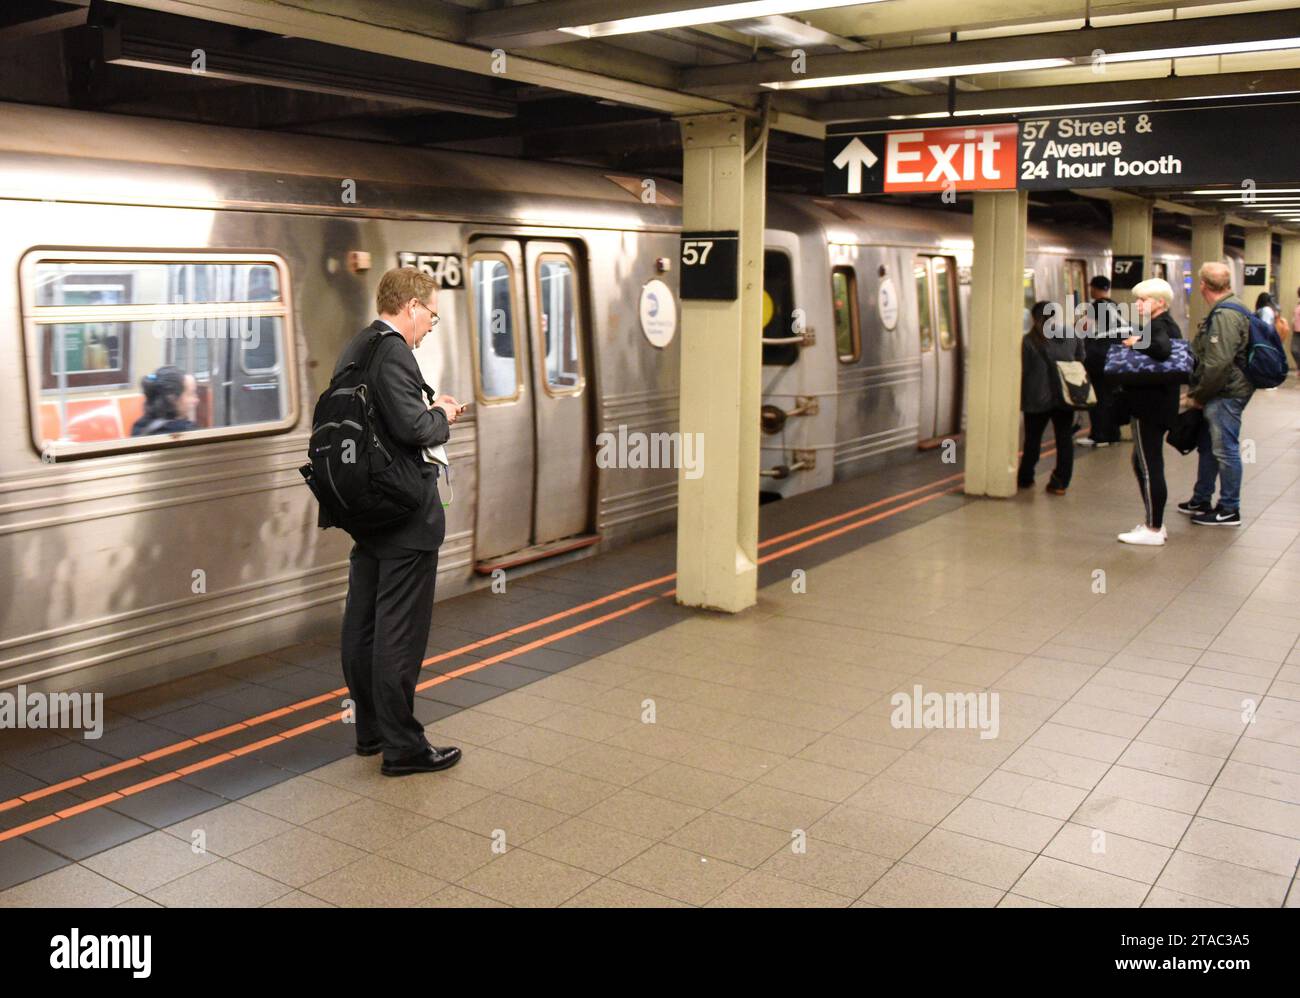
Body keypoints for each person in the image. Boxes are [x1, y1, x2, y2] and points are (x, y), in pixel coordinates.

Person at [336, 267, 466, 776]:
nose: (432, 324)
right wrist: (444, 414)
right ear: (411, 306)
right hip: (403, 514)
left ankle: (370, 730)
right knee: (398, 633)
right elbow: (413, 428)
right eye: (432, 313)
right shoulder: (393, 352)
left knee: (363, 624)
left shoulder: (357, 347)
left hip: (366, 510)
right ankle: (404, 747)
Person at [1178, 261, 1253, 527]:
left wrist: (1198, 395)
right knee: (1209, 446)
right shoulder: (1233, 307)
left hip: (1225, 392)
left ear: (1202, 285)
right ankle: (1201, 498)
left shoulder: (1225, 315)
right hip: (1224, 390)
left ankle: (1230, 508)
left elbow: (1218, 363)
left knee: (1226, 450)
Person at [1114, 279, 1182, 546]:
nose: (1138, 305)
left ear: (1160, 303)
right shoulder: (1167, 324)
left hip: (1149, 407)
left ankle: (1153, 528)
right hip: (1160, 405)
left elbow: (1162, 349)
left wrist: (1135, 342)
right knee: (1142, 461)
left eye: (1144, 300)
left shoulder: (1159, 326)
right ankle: (1154, 521)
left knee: (1149, 465)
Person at [1019, 300, 1083, 495]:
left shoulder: (1030, 340)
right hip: (1065, 396)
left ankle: (1026, 477)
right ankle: (1060, 482)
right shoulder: (1071, 335)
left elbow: (1025, 370)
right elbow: (1081, 359)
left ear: (1034, 317)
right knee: (1064, 439)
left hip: (1036, 398)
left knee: (1032, 440)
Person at [1078, 274, 1125, 447]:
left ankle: (1099, 435)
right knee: (1110, 396)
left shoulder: (1097, 306)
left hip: (1098, 357)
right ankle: (1113, 433)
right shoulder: (1115, 306)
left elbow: (1083, 328)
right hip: (1113, 356)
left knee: (1098, 397)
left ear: (1094, 288)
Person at [131, 366, 199, 435]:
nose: (196, 400)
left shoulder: (139, 426)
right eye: (191, 394)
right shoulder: (186, 432)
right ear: (172, 398)